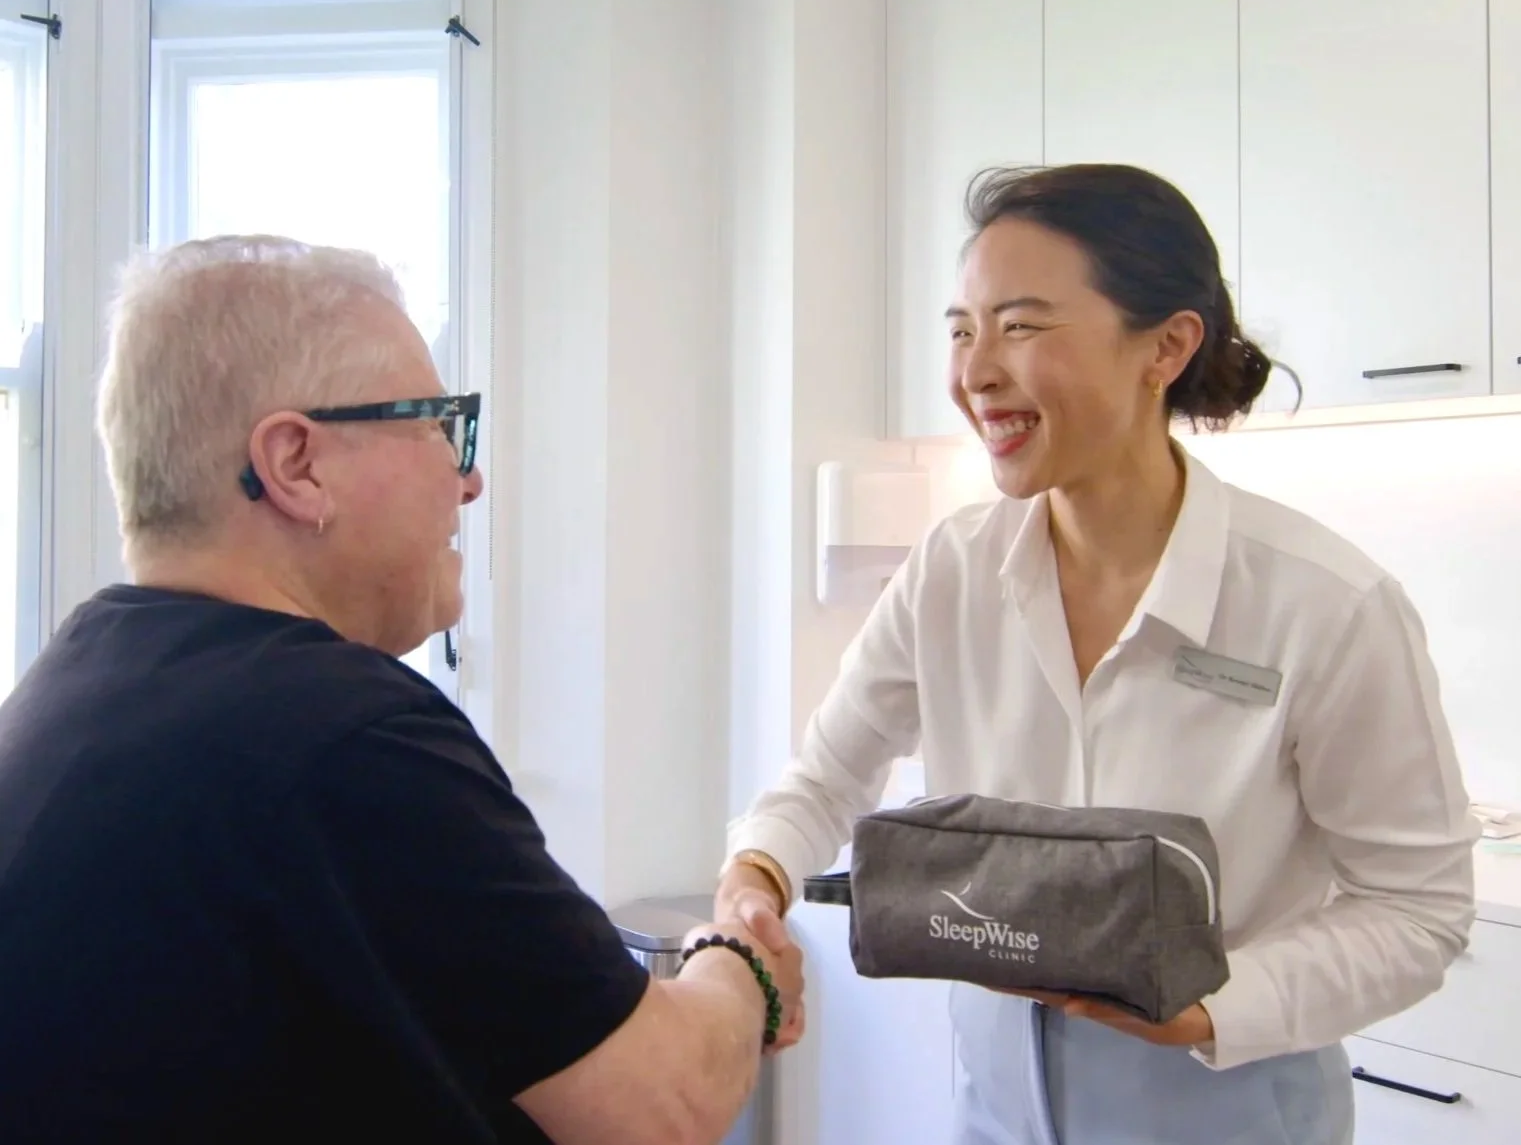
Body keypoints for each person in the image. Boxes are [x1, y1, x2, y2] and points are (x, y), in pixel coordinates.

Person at [715, 164, 1479, 1145]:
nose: (975, 371)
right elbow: (823, 781)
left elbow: (1419, 910)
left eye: (1021, 325)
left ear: (1165, 345)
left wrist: (1216, 1006)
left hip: (1232, 1114)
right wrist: (756, 878)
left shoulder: (1324, 604)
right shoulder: (953, 570)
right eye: (961, 328)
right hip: (996, 1114)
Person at [0, 235, 801, 1145]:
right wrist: (737, 960)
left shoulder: (69, 695)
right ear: (295, 463)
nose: (468, 477)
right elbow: (666, 1104)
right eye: (435, 423)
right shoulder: (341, 734)